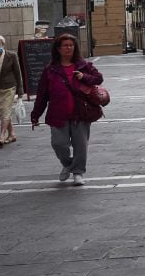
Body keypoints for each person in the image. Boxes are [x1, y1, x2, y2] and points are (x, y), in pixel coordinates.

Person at [30, 34, 103, 186]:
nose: (69, 48)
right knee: (59, 144)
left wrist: (83, 77)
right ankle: (68, 164)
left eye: (71, 45)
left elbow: (98, 78)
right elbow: (42, 95)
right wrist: (35, 115)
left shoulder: (83, 65)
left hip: (80, 112)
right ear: (58, 49)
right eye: (65, 45)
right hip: (58, 114)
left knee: (80, 145)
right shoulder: (50, 70)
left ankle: (78, 173)